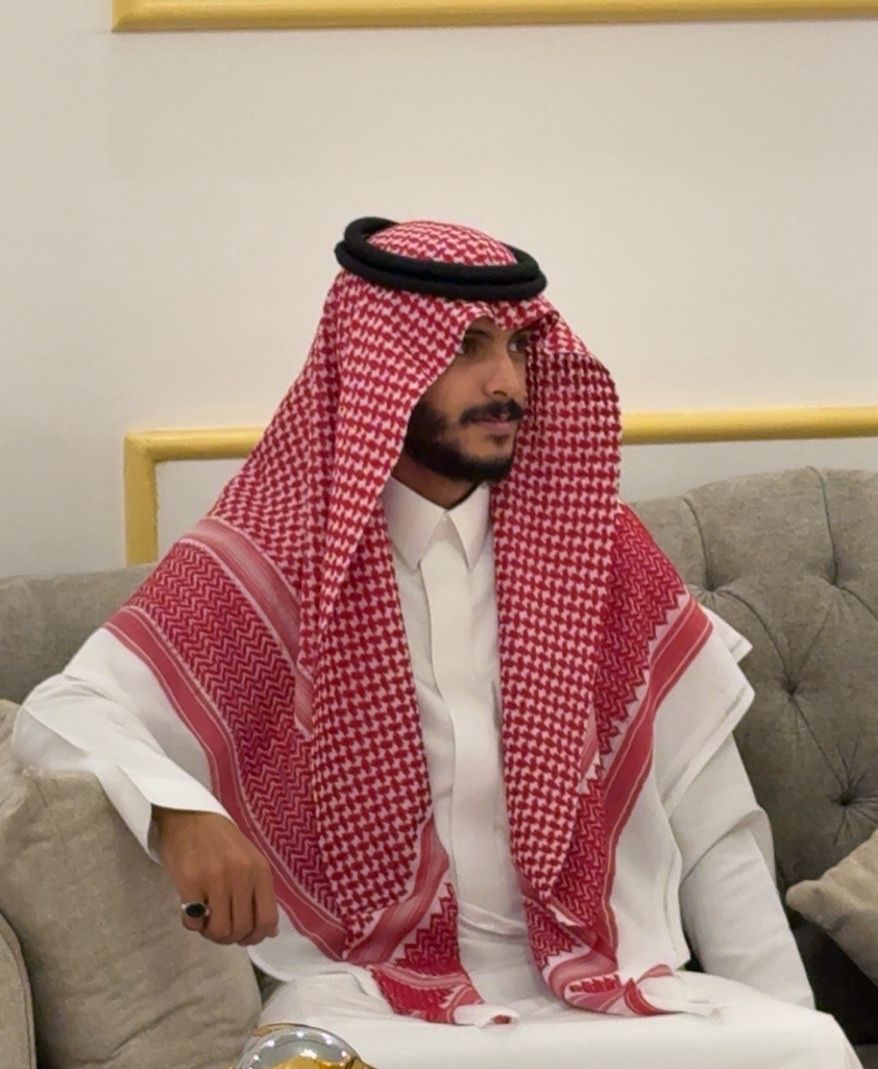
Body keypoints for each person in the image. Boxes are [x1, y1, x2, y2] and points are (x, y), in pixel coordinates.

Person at [13, 218, 860, 1068]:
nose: (507, 381)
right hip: (375, 1004)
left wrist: (788, 1019)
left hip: (606, 997)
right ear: (379, 366)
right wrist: (177, 811)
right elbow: (63, 710)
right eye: (467, 347)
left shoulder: (595, 553)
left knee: (806, 1048)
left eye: (518, 347)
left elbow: (715, 826)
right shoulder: (275, 557)